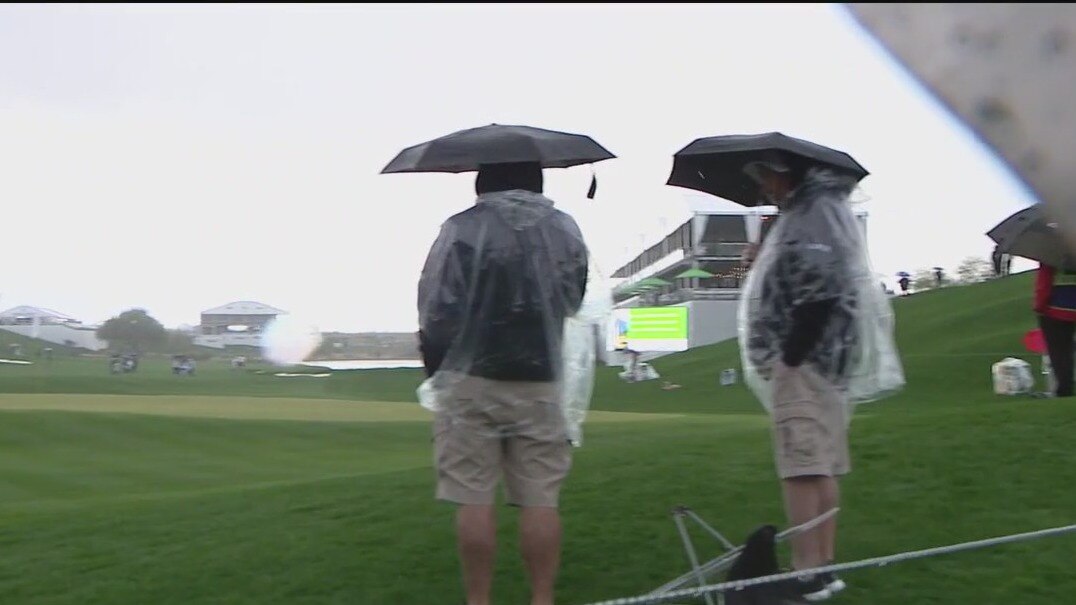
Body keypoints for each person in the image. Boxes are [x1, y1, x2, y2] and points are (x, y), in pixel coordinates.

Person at [417, 161, 590, 605]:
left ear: (482, 180)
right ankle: (542, 597)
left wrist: (436, 371)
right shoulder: (564, 230)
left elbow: (436, 307)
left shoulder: (460, 230)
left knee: (472, 495)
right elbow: (574, 298)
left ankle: (479, 599)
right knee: (541, 497)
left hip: (470, 380)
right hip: (541, 378)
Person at [739, 156, 867, 602]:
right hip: (828, 363)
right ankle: (824, 565)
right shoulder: (821, 213)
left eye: (765, 177)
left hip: (805, 364)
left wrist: (790, 358)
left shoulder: (809, 216)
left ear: (783, 172)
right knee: (823, 463)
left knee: (801, 466)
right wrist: (762, 261)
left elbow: (818, 292)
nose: (764, 187)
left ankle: (806, 569)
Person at [1033, 262, 1076, 397]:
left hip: (1055, 311)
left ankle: (1064, 389)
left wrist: (1039, 307)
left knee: (1060, 353)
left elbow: (1044, 284)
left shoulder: (1050, 256)